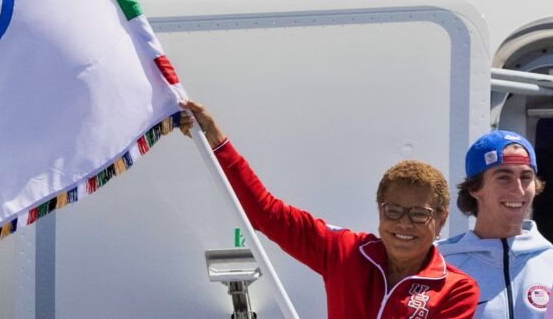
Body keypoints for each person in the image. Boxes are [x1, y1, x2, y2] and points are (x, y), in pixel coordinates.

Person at [179, 99, 479, 317]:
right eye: (394, 211)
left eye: (418, 214)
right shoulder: (343, 251)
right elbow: (264, 213)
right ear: (379, 212)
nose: (404, 224)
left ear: (441, 219)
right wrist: (217, 143)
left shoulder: (457, 290)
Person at [437, 130, 553, 317]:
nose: (518, 189)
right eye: (504, 177)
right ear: (475, 188)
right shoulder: (440, 265)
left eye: (525, 177)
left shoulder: (549, 262)